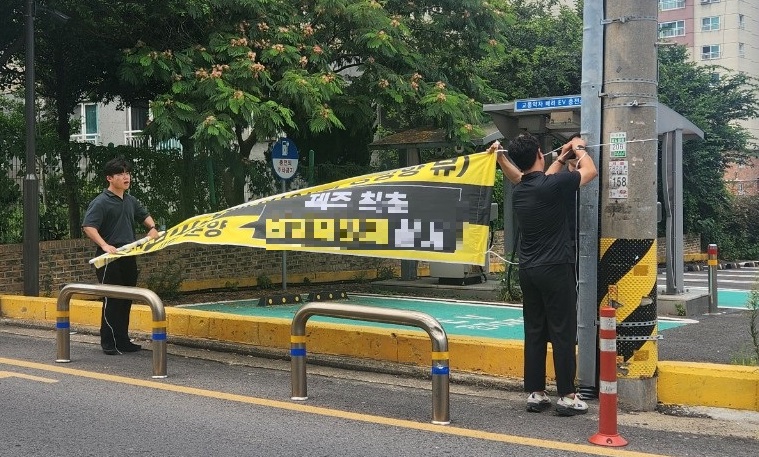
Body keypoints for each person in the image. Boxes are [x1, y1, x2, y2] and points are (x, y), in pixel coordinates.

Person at [488, 133, 598, 416]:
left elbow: (532, 177)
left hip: (529, 271)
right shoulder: (552, 185)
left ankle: (536, 393)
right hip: (556, 268)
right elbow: (590, 172)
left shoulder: (521, 190)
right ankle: (567, 396)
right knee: (562, 331)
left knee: (535, 331)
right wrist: (579, 148)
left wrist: (560, 157)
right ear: (539, 153)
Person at [82, 157, 160, 355]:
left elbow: (145, 216)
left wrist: (151, 228)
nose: (126, 177)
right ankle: (108, 342)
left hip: (128, 254)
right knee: (113, 299)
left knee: (126, 299)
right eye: (121, 174)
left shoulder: (130, 200)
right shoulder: (100, 202)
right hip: (108, 258)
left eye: (127, 173)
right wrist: (104, 245)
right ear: (110, 178)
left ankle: (123, 340)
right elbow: (89, 227)